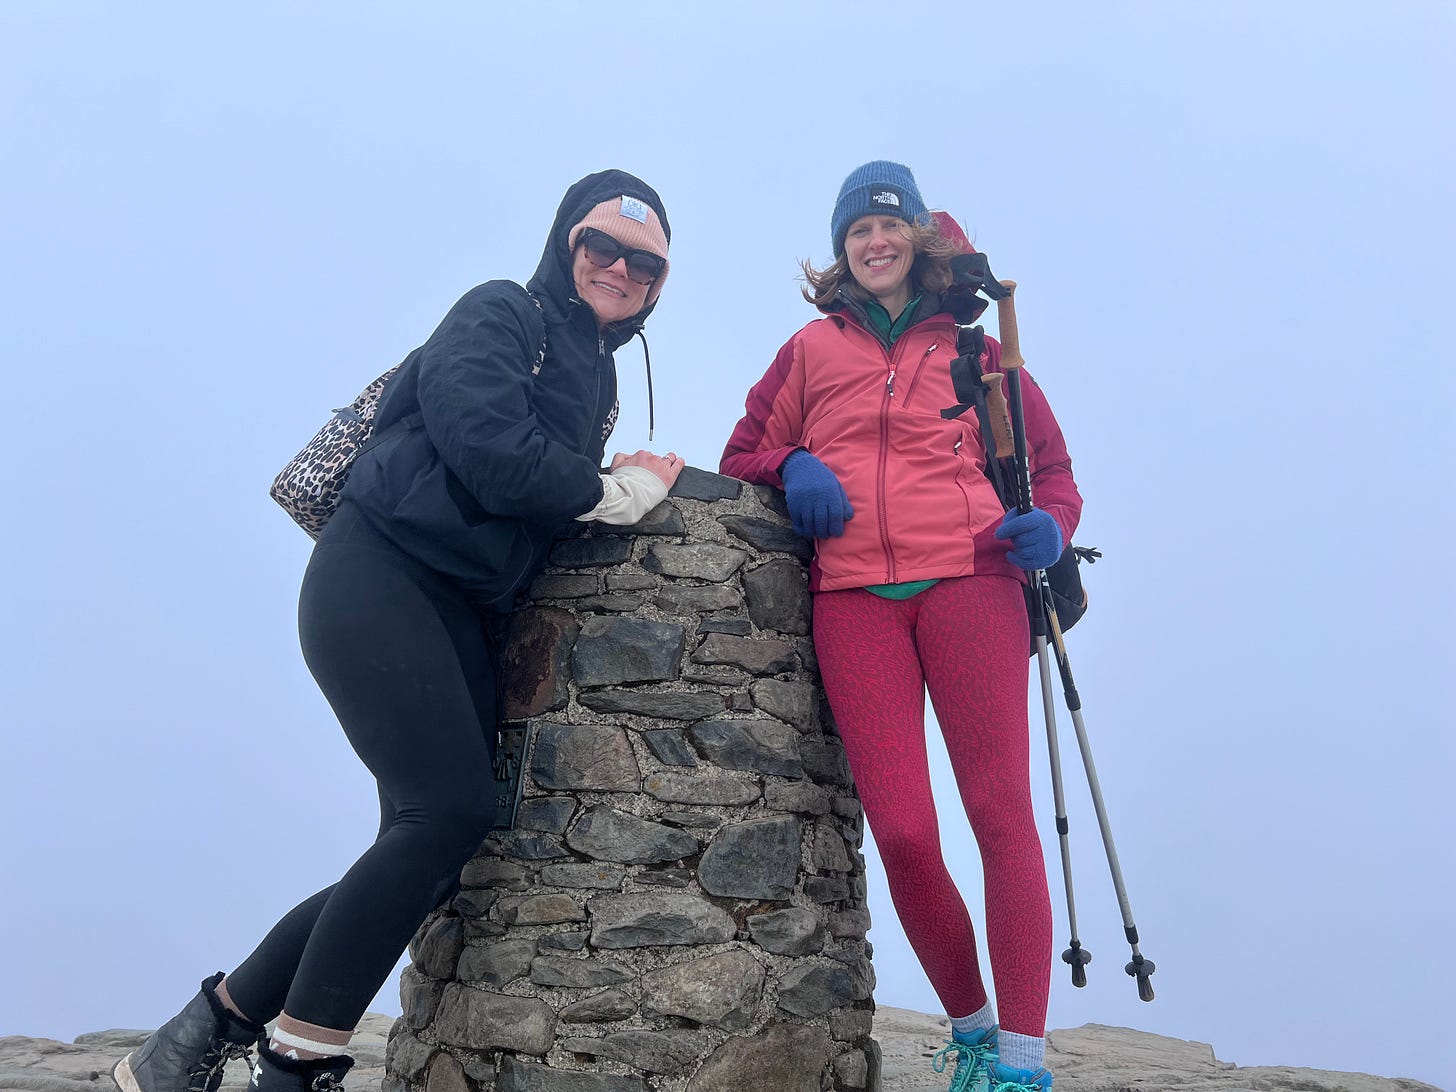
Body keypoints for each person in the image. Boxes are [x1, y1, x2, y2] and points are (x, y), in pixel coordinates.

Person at [113, 169, 684, 1092]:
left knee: (422, 853)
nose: (619, 269)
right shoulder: (502, 311)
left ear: (660, 284)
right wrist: (618, 490)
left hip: (460, 607)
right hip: (377, 572)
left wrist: (601, 479)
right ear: (563, 244)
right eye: (600, 247)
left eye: (644, 263)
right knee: (446, 814)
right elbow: (492, 453)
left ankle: (195, 1036)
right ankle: (297, 1064)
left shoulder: (599, 376)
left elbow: (532, 498)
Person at [719, 161, 1081, 1092]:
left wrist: (1055, 530)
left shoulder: (982, 351)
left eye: (888, 227)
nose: (873, 244)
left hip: (973, 582)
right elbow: (741, 452)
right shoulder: (809, 350)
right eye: (855, 233)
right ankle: (969, 1027)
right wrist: (794, 461)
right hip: (851, 601)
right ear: (840, 252)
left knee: (1000, 814)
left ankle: (1021, 1065)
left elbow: (1054, 471)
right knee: (907, 835)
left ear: (919, 240)